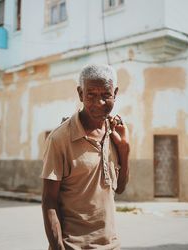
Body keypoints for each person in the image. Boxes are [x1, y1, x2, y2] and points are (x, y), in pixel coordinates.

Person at [41, 64, 130, 250]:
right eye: (91, 94)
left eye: (106, 95)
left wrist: (124, 149)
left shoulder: (114, 133)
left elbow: (120, 188)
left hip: (112, 245)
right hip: (73, 246)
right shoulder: (59, 139)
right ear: (80, 94)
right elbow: (49, 200)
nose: (99, 103)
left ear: (115, 93)